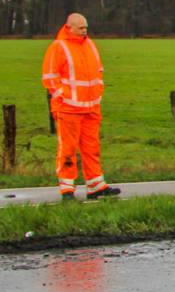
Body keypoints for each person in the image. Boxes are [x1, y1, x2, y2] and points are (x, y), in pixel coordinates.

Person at [42, 13, 120, 200]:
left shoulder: (90, 45)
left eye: (85, 28)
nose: (84, 31)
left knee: (92, 148)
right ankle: (67, 189)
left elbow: (98, 71)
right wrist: (63, 97)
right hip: (68, 108)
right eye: (80, 28)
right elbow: (50, 77)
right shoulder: (58, 47)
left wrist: (98, 93)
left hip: (91, 107)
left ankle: (96, 186)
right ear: (69, 28)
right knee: (67, 149)